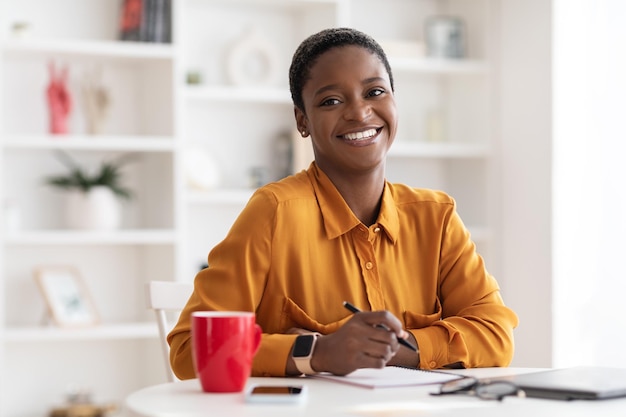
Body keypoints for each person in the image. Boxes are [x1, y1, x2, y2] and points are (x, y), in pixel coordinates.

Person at [168, 27, 518, 378]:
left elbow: (496, 334)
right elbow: (189, 350)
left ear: (394, 101)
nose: (359, 112)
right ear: (302, 120)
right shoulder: (274, 212)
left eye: (374, 92)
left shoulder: (436, 217)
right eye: (331, 101)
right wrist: (317, 352)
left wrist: (393, 348)